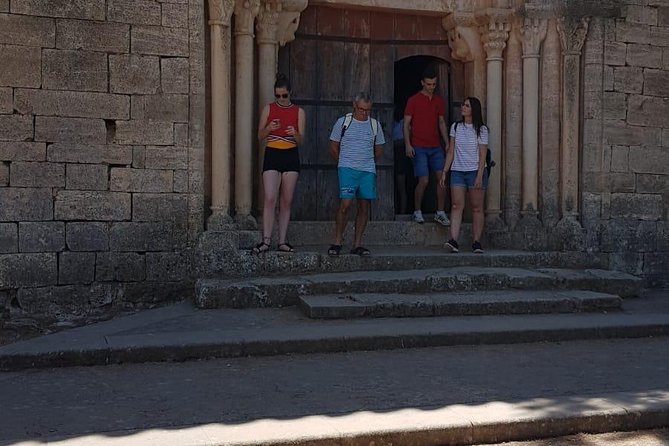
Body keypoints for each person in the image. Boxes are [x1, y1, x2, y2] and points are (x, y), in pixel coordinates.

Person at [327, 92, 385, 256]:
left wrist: (367, 161)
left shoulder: (374, 125)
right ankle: (337, 241)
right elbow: (333, 146)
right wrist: (343, 162)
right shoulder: (343, 122)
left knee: (364, 206)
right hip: (347, 168)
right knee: (345, 204)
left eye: (367, 110)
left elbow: (379, 149)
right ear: (354, 105)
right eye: (361, 109)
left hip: (367, 170)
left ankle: (357, 244)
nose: (364, 113)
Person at [253, 73, 306, 254]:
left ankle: (282, 241)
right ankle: (266, 240)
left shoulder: (299, 111)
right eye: (278, 96)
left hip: (290, 153)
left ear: (290, 93)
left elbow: (301, 141)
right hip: (273, 152)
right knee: (269, 197)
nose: (281, 99)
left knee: (286, 200)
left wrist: (294, 133)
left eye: (284, 95)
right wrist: (269, 129)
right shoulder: (268, 109)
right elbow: (259, 136)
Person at [439, 97, 489, 254]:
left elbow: (482, 154)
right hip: (458, 171)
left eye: (466, 105)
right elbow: (451, 150)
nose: (463, 107)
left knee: (476, 208)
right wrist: (445, 171)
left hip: (475, 171)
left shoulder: (482, 130)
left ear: (473, 109)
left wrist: (479, 176)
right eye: (463, 105)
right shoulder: (456, 127)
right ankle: (453, 240)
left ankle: (476, 242)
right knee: (456, 205)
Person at [404, 67, 450, 226]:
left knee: (442, 179)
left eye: (434, 84)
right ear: (422, 83)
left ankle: (440, 212)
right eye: (429, 84)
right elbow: (406, 123)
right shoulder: (413, 100)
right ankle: (417, 211)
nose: (432, 87)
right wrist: (408, 144)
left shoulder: (438, 101)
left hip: (435, 146)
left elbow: (441, 122)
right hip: (419, 146)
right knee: (423, 180)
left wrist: (447, 142)